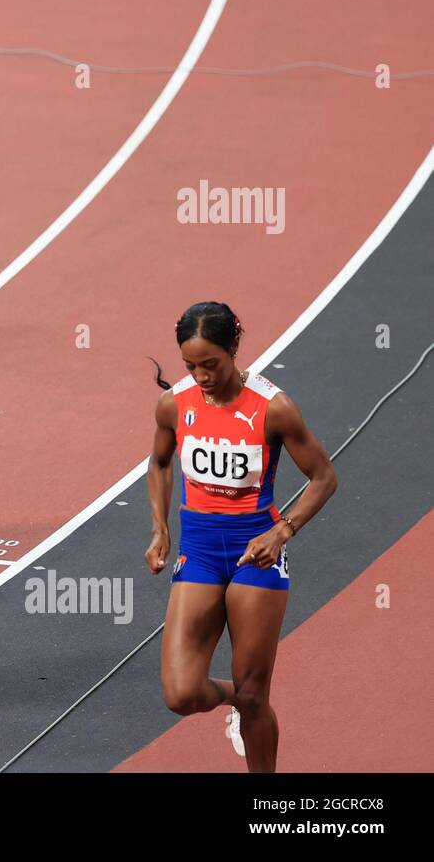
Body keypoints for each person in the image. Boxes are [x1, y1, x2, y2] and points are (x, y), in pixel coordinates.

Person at [145, 301, 337, 772]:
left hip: (258, 554)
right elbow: (161, 462)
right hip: (201, 552)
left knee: (258, 697)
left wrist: (283, 531)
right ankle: (237, 700)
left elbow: (324, 477)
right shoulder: (175, 403)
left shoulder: (274, 408)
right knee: (182, 694)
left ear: (234, 349)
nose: (201, 376)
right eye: (190, 366)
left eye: (210, 364)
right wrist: (160, 527)